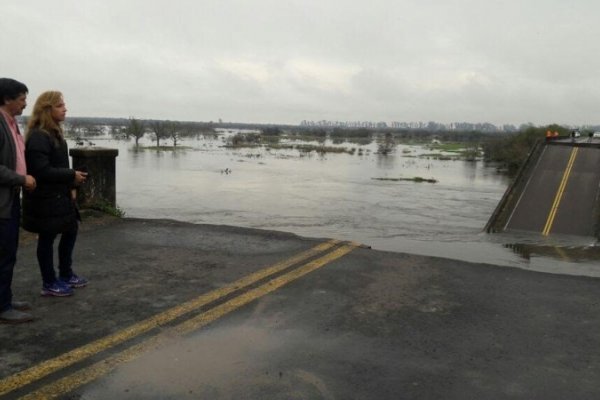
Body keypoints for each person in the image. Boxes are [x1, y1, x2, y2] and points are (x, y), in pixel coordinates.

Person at [22, 91, 88, 297]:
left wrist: (72, 187)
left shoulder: (55, 134)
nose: (65, 108)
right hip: (46, 199)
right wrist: (71, 175)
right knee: (47, 238)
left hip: (61, 196)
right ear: (47, 110)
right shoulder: (39, 137)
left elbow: (58, 165)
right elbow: (40, 170)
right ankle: (49, 282)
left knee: (70, 231)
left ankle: (66, 274)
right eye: (60, 105)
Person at [0, 78, 37, 324]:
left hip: (10, 199)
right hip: (2, 201)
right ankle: (2, 307)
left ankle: (5, 299)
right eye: (22, 98)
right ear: (6, 99)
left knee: (9, 252)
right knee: (3, 253)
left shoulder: (11, 123)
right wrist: (21, 179)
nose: (25, 103)